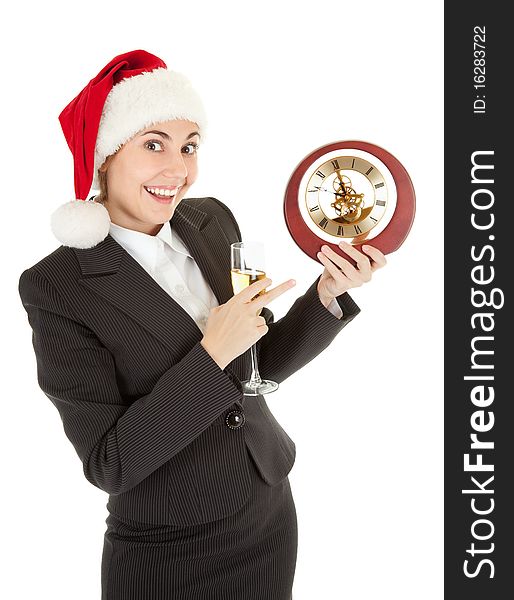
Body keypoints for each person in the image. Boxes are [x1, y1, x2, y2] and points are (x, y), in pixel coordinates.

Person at [18, 49, 386, 600]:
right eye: (153, 145)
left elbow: (254, 369)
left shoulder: (211, 219)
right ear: (103, 157)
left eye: (189, 146)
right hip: (168, 554)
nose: (178, 170)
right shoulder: (59, 285)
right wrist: (210, 356)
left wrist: (327, 296)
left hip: (268, 516)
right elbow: (109, 462)